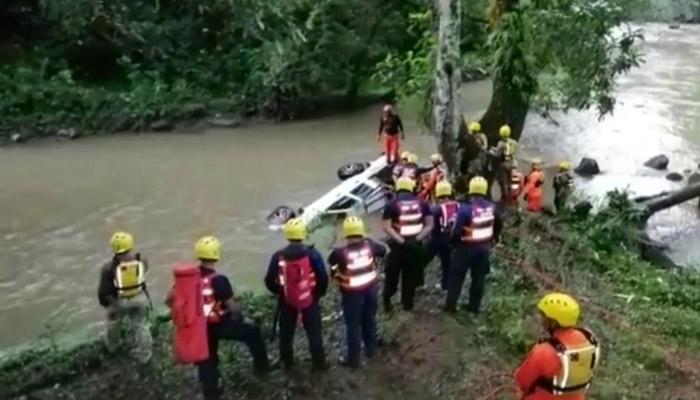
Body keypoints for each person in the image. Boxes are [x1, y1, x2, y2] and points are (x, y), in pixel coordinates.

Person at [166, 236, 270, 400]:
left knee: (207, 359)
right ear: (216, 254)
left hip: (199, 328)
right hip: (220, 323)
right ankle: (262, 368)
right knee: (252, 332)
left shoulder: (187, 279)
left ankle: (211, 393)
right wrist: (241, 308)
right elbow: (232, 308)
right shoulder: (219, 280)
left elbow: (169, 301)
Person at [264, 218, 329, 371]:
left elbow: (268, 280)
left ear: (287, 235)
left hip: (287, 300)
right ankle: (319, 364)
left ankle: (288, 363)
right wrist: (318, 294)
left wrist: (280, 293)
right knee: (314, 333)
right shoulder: (313, 254)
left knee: (286, 334)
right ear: (303, 234)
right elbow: (323, 278)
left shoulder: (278, 256)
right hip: (310, 299)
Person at [515, 293, 600, 400]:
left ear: (553, 322)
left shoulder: (544, 351)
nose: (541, 319)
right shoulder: (589, 340)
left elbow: (522, 381)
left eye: (544, 316)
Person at [327, 216, 387, 368]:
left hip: (352, 294)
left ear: (346, 233)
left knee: (353, 326)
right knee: (370, 320)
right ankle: (371, 349)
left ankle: (353, 359)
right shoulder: (370, 246)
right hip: (371, 289)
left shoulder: (340, 253)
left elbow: (332, 264)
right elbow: (383, 250)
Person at [444, 177, 503, 314]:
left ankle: (450, 306)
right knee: (478, 279)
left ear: (471, 191)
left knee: (456, 278)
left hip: (465, 248)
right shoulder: (492, 208)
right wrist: (494, 238)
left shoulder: (465, 210)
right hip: (483, 249)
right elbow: (498, 224)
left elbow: (456, 231)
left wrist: (453, 244)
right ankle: (474, 308)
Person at [97, 231, 153, 364]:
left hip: (119, 301)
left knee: (113, 324)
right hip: (139, 298)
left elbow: (103, 291)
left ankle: (113, 348)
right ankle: (144, 354)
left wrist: (108, 305)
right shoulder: (142, 261)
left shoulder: (109, 268)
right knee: (141, 326)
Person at [381, 177, 434, 311]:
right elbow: (429, 225)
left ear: (398, 188)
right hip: (415, 245)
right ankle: (407, 304)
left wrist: (401, 240)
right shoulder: (422, 203)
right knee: (410, 275)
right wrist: (417, 239)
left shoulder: (391, 204)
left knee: (392, 274)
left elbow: (387, 227)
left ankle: (387, 301)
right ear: (411, 188)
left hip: (397, 245)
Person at [429, 180, 459, 290]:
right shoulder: (459, 206)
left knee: (420, 260)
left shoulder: (436, 209)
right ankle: (445, 286)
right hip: (454, 241)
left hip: (437, 240)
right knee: (448, 265)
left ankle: (417, 281)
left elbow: (430, 224)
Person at [489, 124, 518, 201]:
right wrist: (495, 148)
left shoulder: (501, 143)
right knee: (510, 181)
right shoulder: (514, 142)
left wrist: (490, 152)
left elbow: (497, 155)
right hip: (511, 163)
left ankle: (504, 197)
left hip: (503, 164)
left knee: (503, 182)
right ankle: (511, 196)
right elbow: (507, 150)